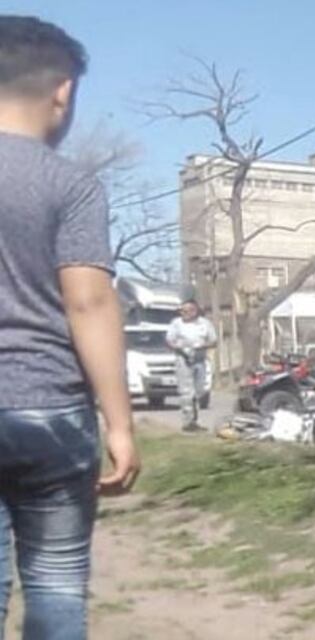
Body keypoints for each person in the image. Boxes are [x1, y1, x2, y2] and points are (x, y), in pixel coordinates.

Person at [0, 15, 140, 639]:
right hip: (50, 410)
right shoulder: (72, 185)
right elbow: (89, 304)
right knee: (56, 582)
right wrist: (120, 425)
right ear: (62, 91)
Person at [166, 301, 217, 431]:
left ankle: (195, 418)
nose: (183, 313)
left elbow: (213, 341)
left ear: (194, 311)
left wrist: (202, 346)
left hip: (200, 359)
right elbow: (169, 341)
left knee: (200, 391)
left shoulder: (205, 324)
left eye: (186, 311)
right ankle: (188, 422)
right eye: (181, 311)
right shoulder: (176, 324)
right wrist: (179, 348)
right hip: (183, 359)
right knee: (186, 392)